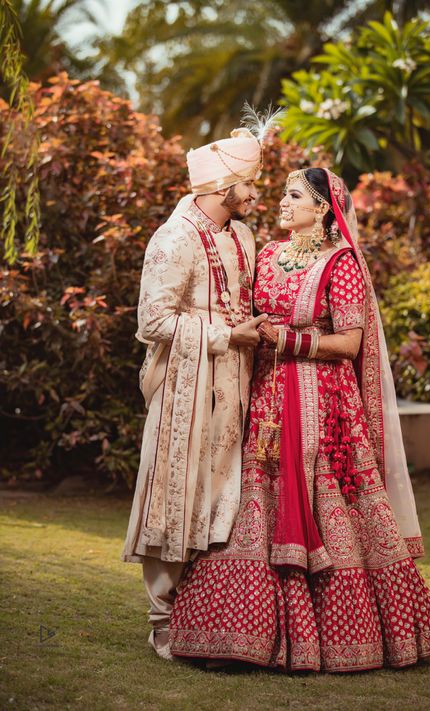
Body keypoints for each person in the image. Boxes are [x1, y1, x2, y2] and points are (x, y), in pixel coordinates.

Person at [168, 167, 430, 672]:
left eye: (293, 195)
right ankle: (235, 632)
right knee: (254, 501)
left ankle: (336, 635)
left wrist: (288, 340)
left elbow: (350, 341)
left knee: (323, 502)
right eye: (281, 193)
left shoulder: (341, 263)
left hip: (322, 406)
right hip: (265, 400)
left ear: (322, 208)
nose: (281, 201)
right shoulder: (271, 253)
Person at [121, 124, 272, 660]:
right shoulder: (175, 237)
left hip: (237, 381)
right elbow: (153, 321)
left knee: (223, 492)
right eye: (249, 184)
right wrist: (224, 333)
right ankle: (162, 618)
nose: (256, 193)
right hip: (188, 383)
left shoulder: (242, 235)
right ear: (222, 184)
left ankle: (204, 610)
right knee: (177, 489)